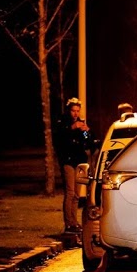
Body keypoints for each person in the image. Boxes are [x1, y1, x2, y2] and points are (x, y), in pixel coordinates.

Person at [52, 97, 97, 234]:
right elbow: (59, 139)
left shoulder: (80, 123)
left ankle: (74, 222)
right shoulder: (62, 123)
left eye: (78, 111)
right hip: (68, 161)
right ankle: (68, 223)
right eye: (73, 111)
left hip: (79, 161)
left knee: (77, 194)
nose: (76, 114)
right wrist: (72, 128)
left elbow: (88, 142)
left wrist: (86, 132)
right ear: (68, 110)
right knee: (70, 192)